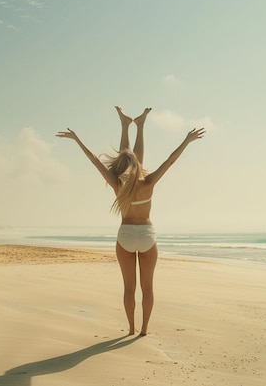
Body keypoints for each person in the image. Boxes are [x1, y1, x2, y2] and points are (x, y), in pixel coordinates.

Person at [56, 106, 205, 336]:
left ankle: (131, 329)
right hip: (146, 235)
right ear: (137, 166)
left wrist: (77, 139)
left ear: (123, 167)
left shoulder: (118, 185)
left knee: (128, 288)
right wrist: (186, 141)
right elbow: (170, 161)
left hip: (125, 236)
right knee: (147, 288)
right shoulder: (148, 182)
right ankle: (144, 329)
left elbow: (95, 160)